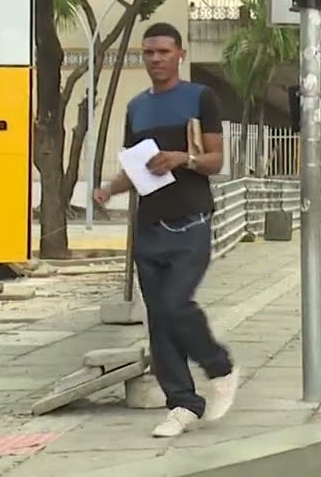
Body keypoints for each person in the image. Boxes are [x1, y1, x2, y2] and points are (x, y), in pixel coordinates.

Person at [94, 22, 238, 438]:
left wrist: (182, 158)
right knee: (159, 319)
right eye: (149, 53)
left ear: (180, 54)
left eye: (163, 51)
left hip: (191, 221)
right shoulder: (137, 107)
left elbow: (215, 161)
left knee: (176, 305)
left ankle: (219, 366)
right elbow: (135, 168)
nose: (155, 59)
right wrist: (108, 189)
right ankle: (183, 405)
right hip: (148, 226)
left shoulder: (200, 97)